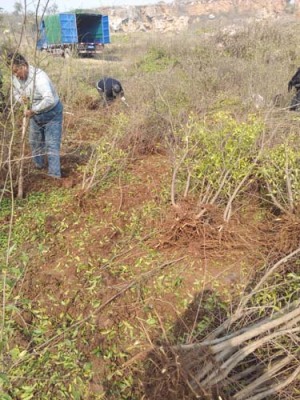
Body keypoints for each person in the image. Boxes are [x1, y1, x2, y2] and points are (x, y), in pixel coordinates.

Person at [8, 52, 63, 178]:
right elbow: (15, 93)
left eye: (17, 71)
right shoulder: (15, 78)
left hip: (52, 113)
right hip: (34, 115)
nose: (16, 75)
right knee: (34, 142)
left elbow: (49, 99)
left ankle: (54, 175)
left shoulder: (39, 77)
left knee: (51, 144)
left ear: (24, 66)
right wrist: (22, 100)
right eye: (13, 72)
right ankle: (39, 168)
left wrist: (33, 110)